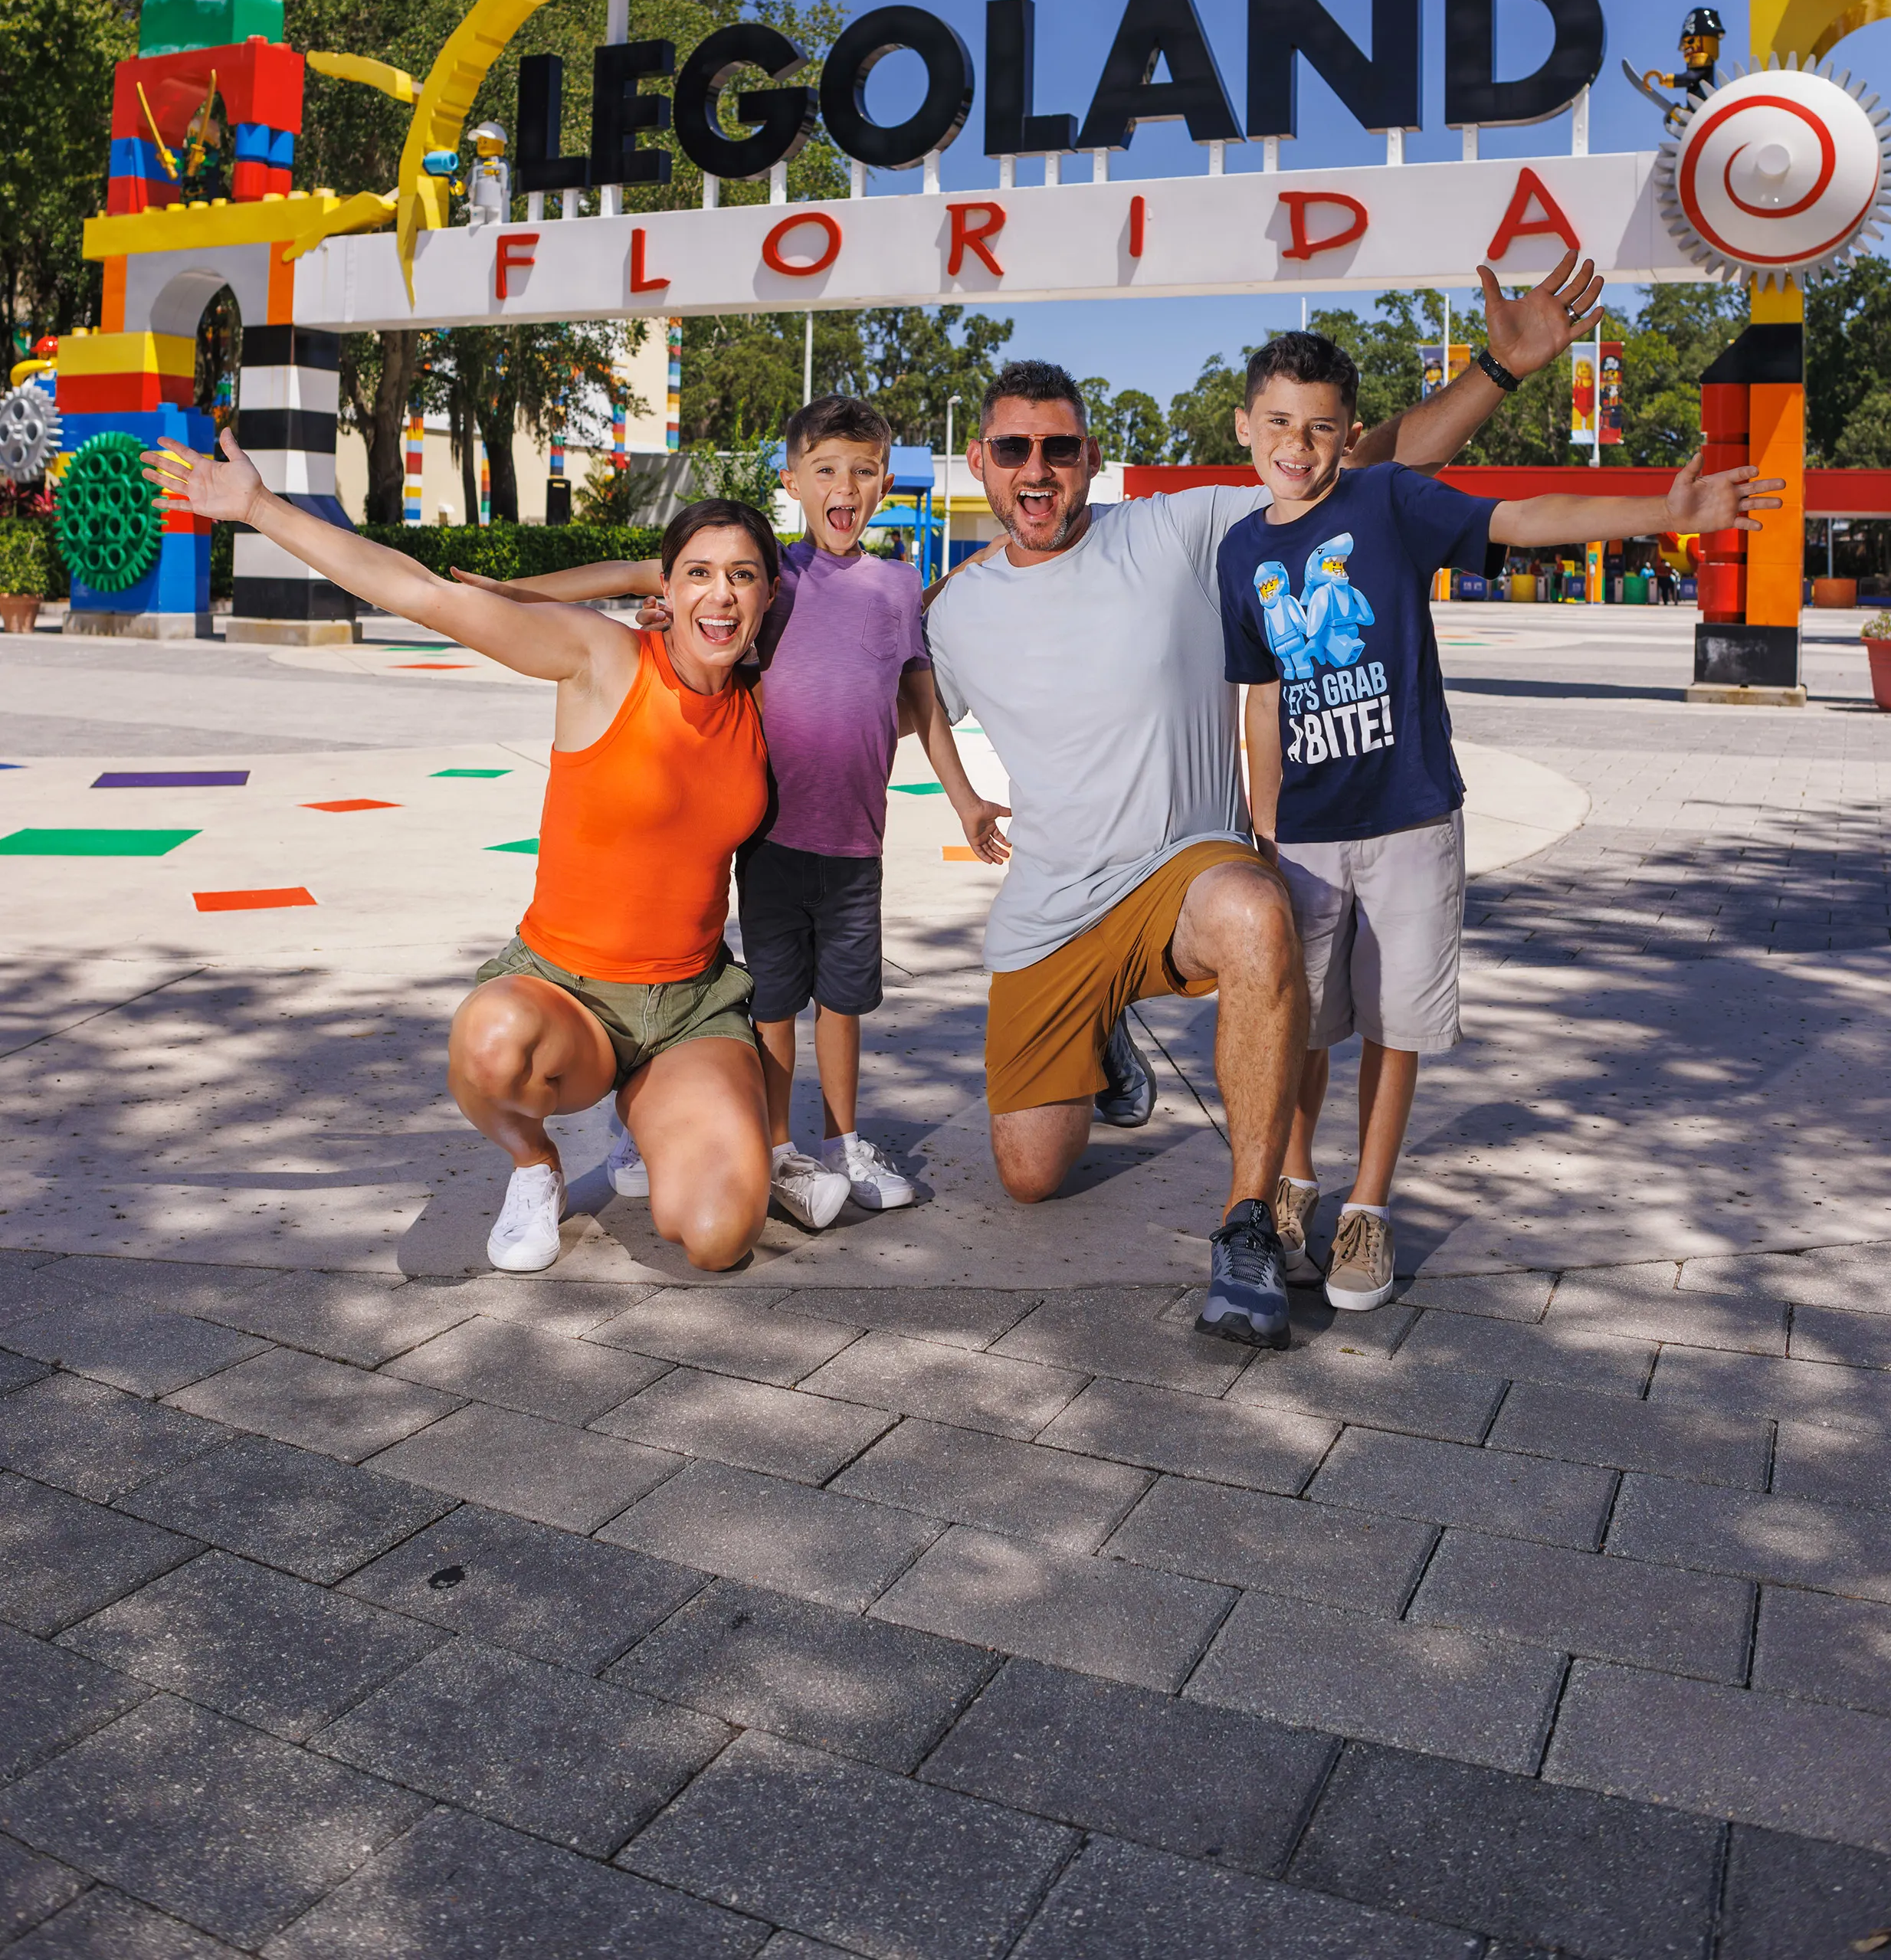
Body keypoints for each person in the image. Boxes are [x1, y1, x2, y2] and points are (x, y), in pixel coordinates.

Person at [923, 255, 1608, 1352]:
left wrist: (1495, 372)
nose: (1038, 470)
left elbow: (1356, 469)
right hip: (1053, 906)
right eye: (1015, 449)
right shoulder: (955, 606)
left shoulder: (1181, 533)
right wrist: (957, 793)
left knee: (1258, 915)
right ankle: (1102, 1043)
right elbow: (906, 689)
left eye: (1060, 447)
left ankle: (1248, 1220)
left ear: (1091, 457)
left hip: (1188, 870)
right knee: (1029, 1176)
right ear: (983, 463)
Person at [1227, 332, 1781, 1312]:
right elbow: (1262, 700)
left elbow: (1520, 518)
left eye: (1319, 427)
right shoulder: (1240, 551)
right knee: (1301, 1024)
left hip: (1408, 820)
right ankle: (1294, 1182)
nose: (1298, 445)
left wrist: (1665, 509)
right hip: (1304, 837)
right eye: (1278, 423)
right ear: (1245, 429)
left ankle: (1367, 1208)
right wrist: (1267, 836)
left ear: (1349, 434)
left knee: (1393, 1024)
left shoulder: (1387, 499)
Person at [143, 426, 780, 1277]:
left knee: (717, 1235)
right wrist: (258, 508)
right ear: (662, 585)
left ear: (770, 597)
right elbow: (423, 595)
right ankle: (535, 1164)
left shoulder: (769, 698)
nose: (721, 595)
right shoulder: (600, 658)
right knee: (489, 1040)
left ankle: (646, 1117)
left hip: (693, 1005)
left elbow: (888, 624)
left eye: (742, 576)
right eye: (697, 572)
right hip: (570, 997)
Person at [467, 394, 999, 1231]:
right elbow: (641, 575)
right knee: (777, 1003)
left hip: (858, 843)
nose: (845, 487)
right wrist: (513, 590)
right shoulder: (769, 576)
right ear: (793, 480)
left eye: (863, 472)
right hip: (775, 839)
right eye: (826, 470)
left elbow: (919, 696)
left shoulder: (896, 588)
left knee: (847, 1003)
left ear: (886, 483)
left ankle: (845, 1144)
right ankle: (784, 1149)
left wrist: (964, 800)